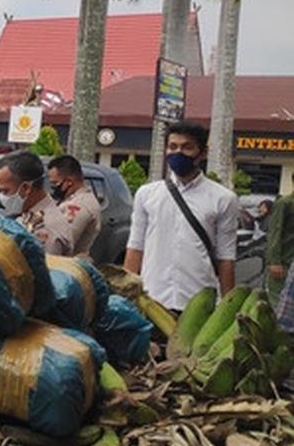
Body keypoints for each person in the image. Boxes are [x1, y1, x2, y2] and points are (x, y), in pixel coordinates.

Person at [125, 122, 239, 311]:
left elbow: (226, 257)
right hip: (152, 299)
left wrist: (228, 308)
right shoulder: (147, 194)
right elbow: (136, 246)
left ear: (202, 153)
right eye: (173, 147)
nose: (178, 153)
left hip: (199, 302)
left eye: (187, 147)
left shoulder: (223, 199)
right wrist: (124, 298)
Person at [0, 151, 73, 256]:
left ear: (26, 188)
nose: (2, 196)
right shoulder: (28, 214)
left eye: (5, 191)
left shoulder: (48, 228)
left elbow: (43, 265)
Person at [47, 154, 101, 258]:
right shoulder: (74, 199)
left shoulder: (79, 205)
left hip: (66, 263)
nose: (53, 187)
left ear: (69, 182)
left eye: (55, 183)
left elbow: (60, 243)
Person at [265, 194, 294, 304]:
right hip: (284, 264)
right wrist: (274, 262)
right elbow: (275, 232)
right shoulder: (285, 203)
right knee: (278, 303)